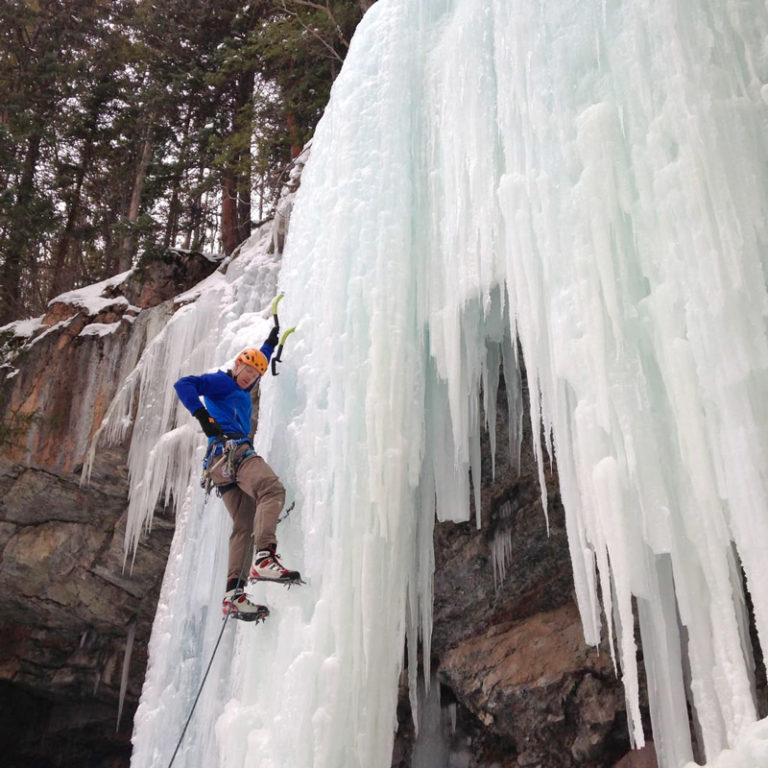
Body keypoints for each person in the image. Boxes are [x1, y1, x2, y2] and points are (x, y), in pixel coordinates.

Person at [173, 327, 300, 620]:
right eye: (246, 370)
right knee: (271, 490)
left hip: (219, 467)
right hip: (233, 452)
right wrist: (202, 416)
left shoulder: (242, 386)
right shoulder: (222, 381)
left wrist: (269, 344)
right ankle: (265, 555)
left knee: (244, 524)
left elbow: (260, 361)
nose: (249, 377)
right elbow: (184, 384)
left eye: (254, 375)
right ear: (237, 365)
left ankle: (234, 594)